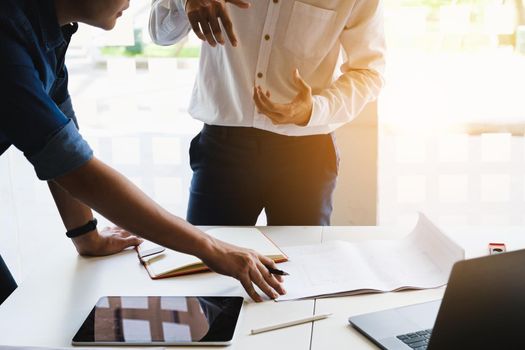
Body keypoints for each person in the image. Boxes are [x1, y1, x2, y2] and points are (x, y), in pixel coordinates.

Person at [0, 0, 285, 305]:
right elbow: (76, 170)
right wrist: (211, 248)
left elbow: (62, 137)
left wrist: (87, 236)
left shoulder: (46, 31)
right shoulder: (8, 35)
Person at [149, 0, 386, 226]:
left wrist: (315, 109)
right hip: (222, 150)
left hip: (306, 155)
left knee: (306, 263)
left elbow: (368, 71)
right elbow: (159, 32)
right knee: (207, 261)